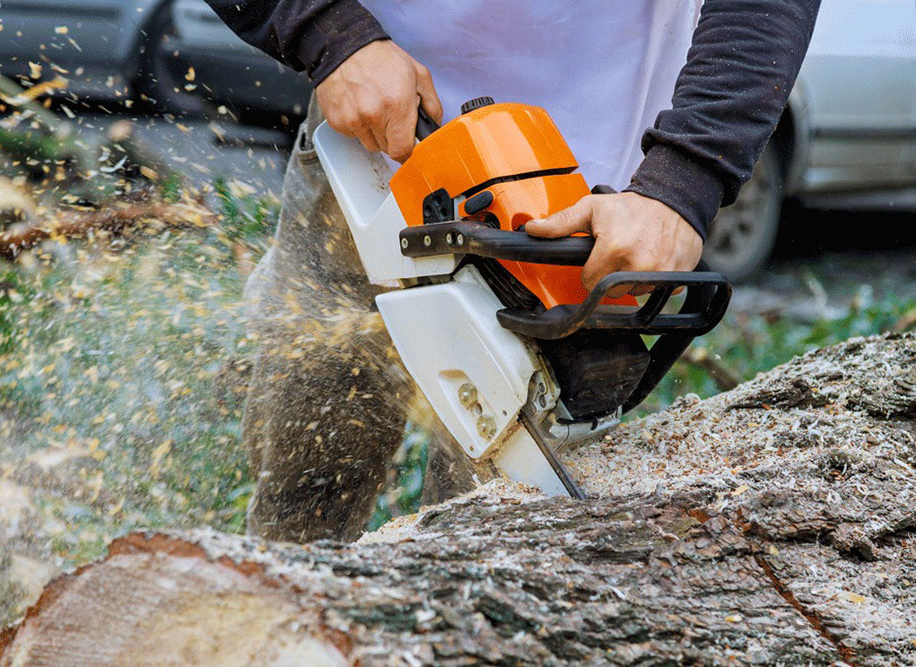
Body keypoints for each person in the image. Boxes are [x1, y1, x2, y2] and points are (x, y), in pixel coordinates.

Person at [204, 0, 822, 543]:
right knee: (300, 493)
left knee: (501, 534)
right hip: (370, 138)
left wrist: (683, 182)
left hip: (591, 205)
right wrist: (328, 31)